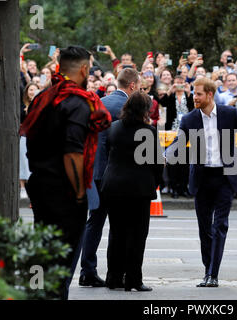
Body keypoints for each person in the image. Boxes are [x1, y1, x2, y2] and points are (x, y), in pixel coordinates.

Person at [21, 46, 112, 299]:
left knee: (45, 251)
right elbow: (73, 152)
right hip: (64, 190)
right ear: (84, 69)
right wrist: (80, 192)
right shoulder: (78, 102)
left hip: (40, 183)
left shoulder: (42, 97)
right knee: (63, 260)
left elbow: (30, 139)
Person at [165, 77, 237, 287]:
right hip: (202, 178)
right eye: (194, 94)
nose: (194, 97)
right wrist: (166, 155)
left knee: (219, 225)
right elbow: (178, 141)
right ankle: (208, 270)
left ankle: (213, 274)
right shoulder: (189, 119)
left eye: (198, 94)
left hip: (225, 177)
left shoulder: (229, 114)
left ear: (210, 95)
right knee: (204, 228)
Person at [79, 68, 140, 288]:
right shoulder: (125, 107)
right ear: (132, 85)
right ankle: (116, 273)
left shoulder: (99, 101)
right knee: (118, 224)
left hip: (92, 168)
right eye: (139, 86)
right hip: (112, 172)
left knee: (94, 222)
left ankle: (87, 270)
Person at [101, 91, 163, 292]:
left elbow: (108, 151)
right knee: (137, 235)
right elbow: (156, 162)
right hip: (139, 188)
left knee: (117, 233)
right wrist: (156, 181)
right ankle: (133, 280)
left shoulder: (114, 128)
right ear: (145, 110)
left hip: (113, 186)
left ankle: (114, 277)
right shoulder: (149, 132)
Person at [20, 82, 40, 199]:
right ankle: (22, 188)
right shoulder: (22, 107)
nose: (32, 92)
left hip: (37, 138)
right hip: (25, 137)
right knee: (23, 162)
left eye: (34, 89)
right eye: (30, 90)